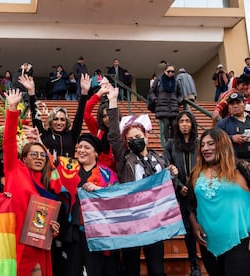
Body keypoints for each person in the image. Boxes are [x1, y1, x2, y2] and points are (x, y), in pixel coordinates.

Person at [107, 81, 179, 276]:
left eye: (137, 136)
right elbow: (114, 135)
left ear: (146, 136)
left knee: (157, 269)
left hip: (156, 222)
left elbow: (168, 189)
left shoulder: (160, 159)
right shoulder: (124, 159)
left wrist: (172, 175)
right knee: (131, 269)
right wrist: (113, 101)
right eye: (130, 140)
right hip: (131, 222)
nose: (134, 141)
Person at [3, 88, 61, 276]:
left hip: (38, 241)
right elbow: (9, 141)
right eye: (33, 154)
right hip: (14, 237)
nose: (38, 158)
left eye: (42, 155)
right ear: (24, 157)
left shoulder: (48, 182)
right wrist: (12, 109)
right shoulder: (14, 169)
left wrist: (54, 227)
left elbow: (49, 218)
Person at [187, 128, 250, 275]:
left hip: (241, 242)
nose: (205, 148)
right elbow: (189, 204)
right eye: (202, 145)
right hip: (208, 244)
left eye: (210, 144)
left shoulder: (241, 168)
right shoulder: (196, 173)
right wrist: (194, 225)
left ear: (222, 144)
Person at [55, 133, 120, 276]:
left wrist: (100, 190)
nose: (81, 150)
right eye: (79, 147)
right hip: (73, 231)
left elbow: (117, 197)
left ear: (96, 153)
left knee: (95, 270)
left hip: (98, 233)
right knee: (71, 270)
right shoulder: (67, 169)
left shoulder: (107, 174)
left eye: (87, 147)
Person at [163, 111, 201, 276]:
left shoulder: (199, 144)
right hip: (182, 194)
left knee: (206, 225)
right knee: (188, 228)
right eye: (181, 121)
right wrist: (178, 185)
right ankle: (194, 263)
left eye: (187, 121)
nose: (184, 124)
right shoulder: (170, 145)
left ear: (192, 124)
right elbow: (167, 167)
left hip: (200, 192)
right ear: (177, 125)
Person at [19, 74, 90, 158]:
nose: (59, 122)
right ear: (51, 121)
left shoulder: (72, 135)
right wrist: (31, 93)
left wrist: (84, 93)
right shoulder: (44, 134)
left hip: (68, 170)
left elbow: (79, 117)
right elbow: (36, 117)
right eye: (55, 119)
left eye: (62, 119)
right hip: (48, 170)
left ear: (66, 122)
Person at [83, 83, 116, 171]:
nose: (107, 119)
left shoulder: (121, 129)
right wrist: (99, 94)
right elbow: (86, 112)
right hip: (100, 173)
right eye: (104, 116)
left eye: (109, 115)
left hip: (118, 174)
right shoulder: (98, 130)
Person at [149, 64, 182, 141]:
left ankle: (173, 143)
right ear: (164, 71)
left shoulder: (176, 82)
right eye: (168, 71)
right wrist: (155, 100)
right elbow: (151, 92)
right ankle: (167, 142)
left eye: (172, 71)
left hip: (173, 106)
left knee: (174, 125)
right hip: (162, 106)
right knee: (166, 124)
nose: (170, 73)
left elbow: (180, 94)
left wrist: (178, 101)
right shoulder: (159, 80)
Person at [216, 93, 250, 162]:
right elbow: (215, 139)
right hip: (233, 162)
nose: (235, 106)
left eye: (238, 103)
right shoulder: (223, 123)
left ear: (244, 104)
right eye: (232, 104)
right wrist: (231, 138)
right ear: (228, 107)